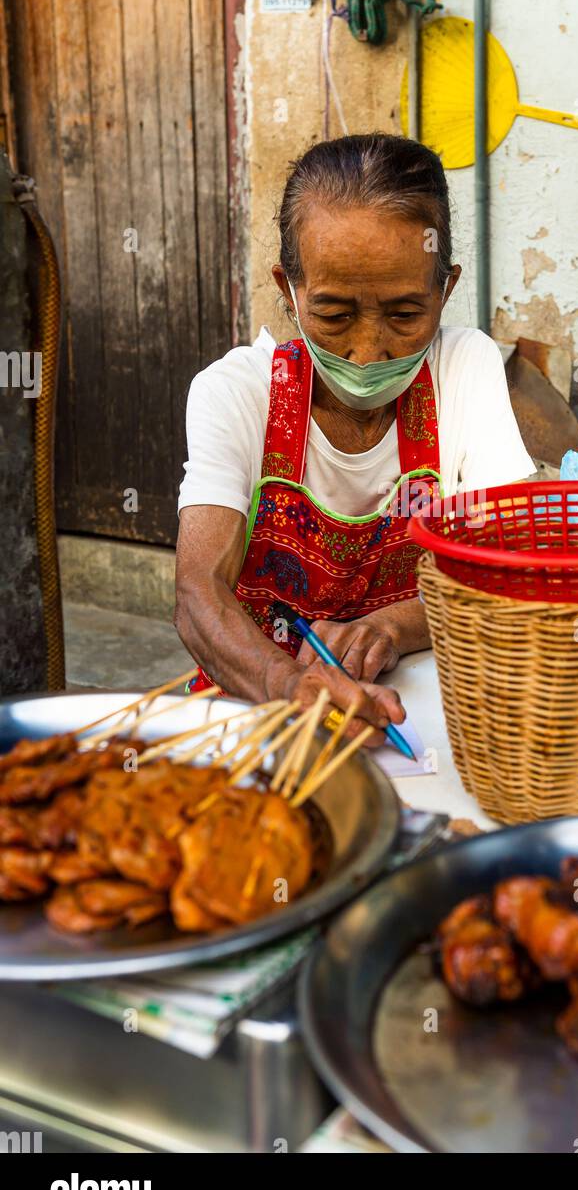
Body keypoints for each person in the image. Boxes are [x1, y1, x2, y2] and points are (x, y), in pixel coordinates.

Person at [175, 133, 534, 745]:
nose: (368, 353)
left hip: (416, 716)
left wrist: (391, 626)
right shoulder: (235, 393)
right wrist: (286, 684)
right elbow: (197, 592)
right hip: (256, 714)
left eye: (404, 315)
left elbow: (514, 568)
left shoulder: (462, 369)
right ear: (288, 290)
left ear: (445, 290)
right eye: (335, 315)